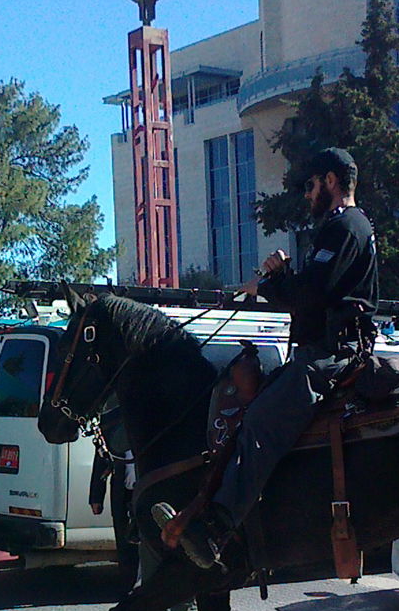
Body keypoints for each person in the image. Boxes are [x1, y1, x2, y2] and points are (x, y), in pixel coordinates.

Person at [161, 147, 378, 569]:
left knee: (258, 421)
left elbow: (308, 297)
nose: (307, 194)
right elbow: (315, 291)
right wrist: (279, 280)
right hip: (326, 350)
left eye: (311, 185)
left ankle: (219, 528)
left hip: (331, 357)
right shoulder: (347, 226)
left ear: (331, 182)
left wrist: (271, 283)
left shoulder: (343, 227)